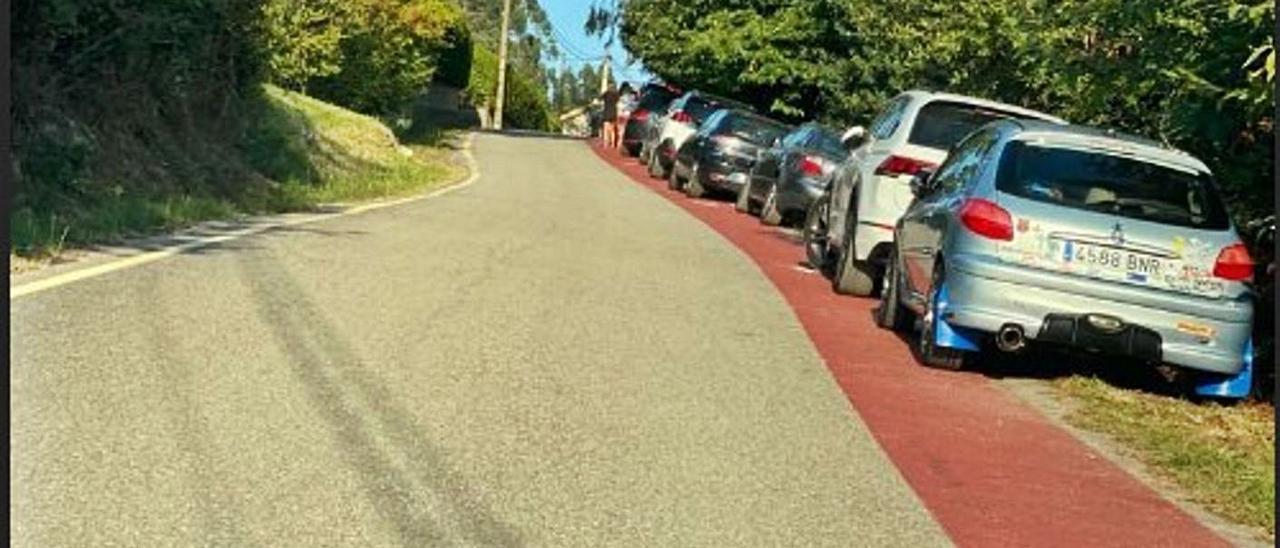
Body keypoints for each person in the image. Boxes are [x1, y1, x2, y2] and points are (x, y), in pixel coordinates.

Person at [615, 83, 637, 150]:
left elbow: (617, 104)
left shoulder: (619, 94)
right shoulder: (631, 96)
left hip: (619, 112)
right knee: (624, 128)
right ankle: (620, 143)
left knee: (619, 128)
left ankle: (619, 141)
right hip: (627, 112)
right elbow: (634, 105)